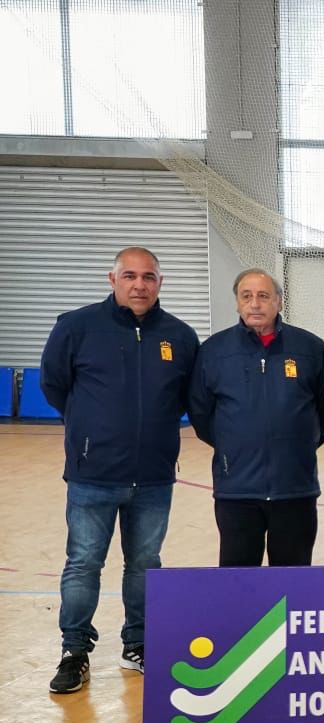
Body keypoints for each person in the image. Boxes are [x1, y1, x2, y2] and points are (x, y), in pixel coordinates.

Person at [39, 246, 199, 693]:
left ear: (160, 283)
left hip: (153, 476)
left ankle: (139, 644)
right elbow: (54, 384)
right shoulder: (77, 327)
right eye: (129, 275)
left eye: (148, 276)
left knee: (145, 564)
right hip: (93, 475)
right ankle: (74, 650)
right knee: (84, 563)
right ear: (112, 280)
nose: (139, 284)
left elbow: (187, 398)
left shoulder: (181, 337)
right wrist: (90, 429)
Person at [189, 269, 324, 568]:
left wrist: (302, 442)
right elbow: (201, 412)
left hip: (295, 487)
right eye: (247, 296)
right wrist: (233, 445)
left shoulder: (310, 348)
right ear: (237, 303)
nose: (255, 304)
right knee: (238, 583)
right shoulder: (213, 351)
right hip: (237, 490)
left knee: (292, 580)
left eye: (263, 296)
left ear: (279, 302)